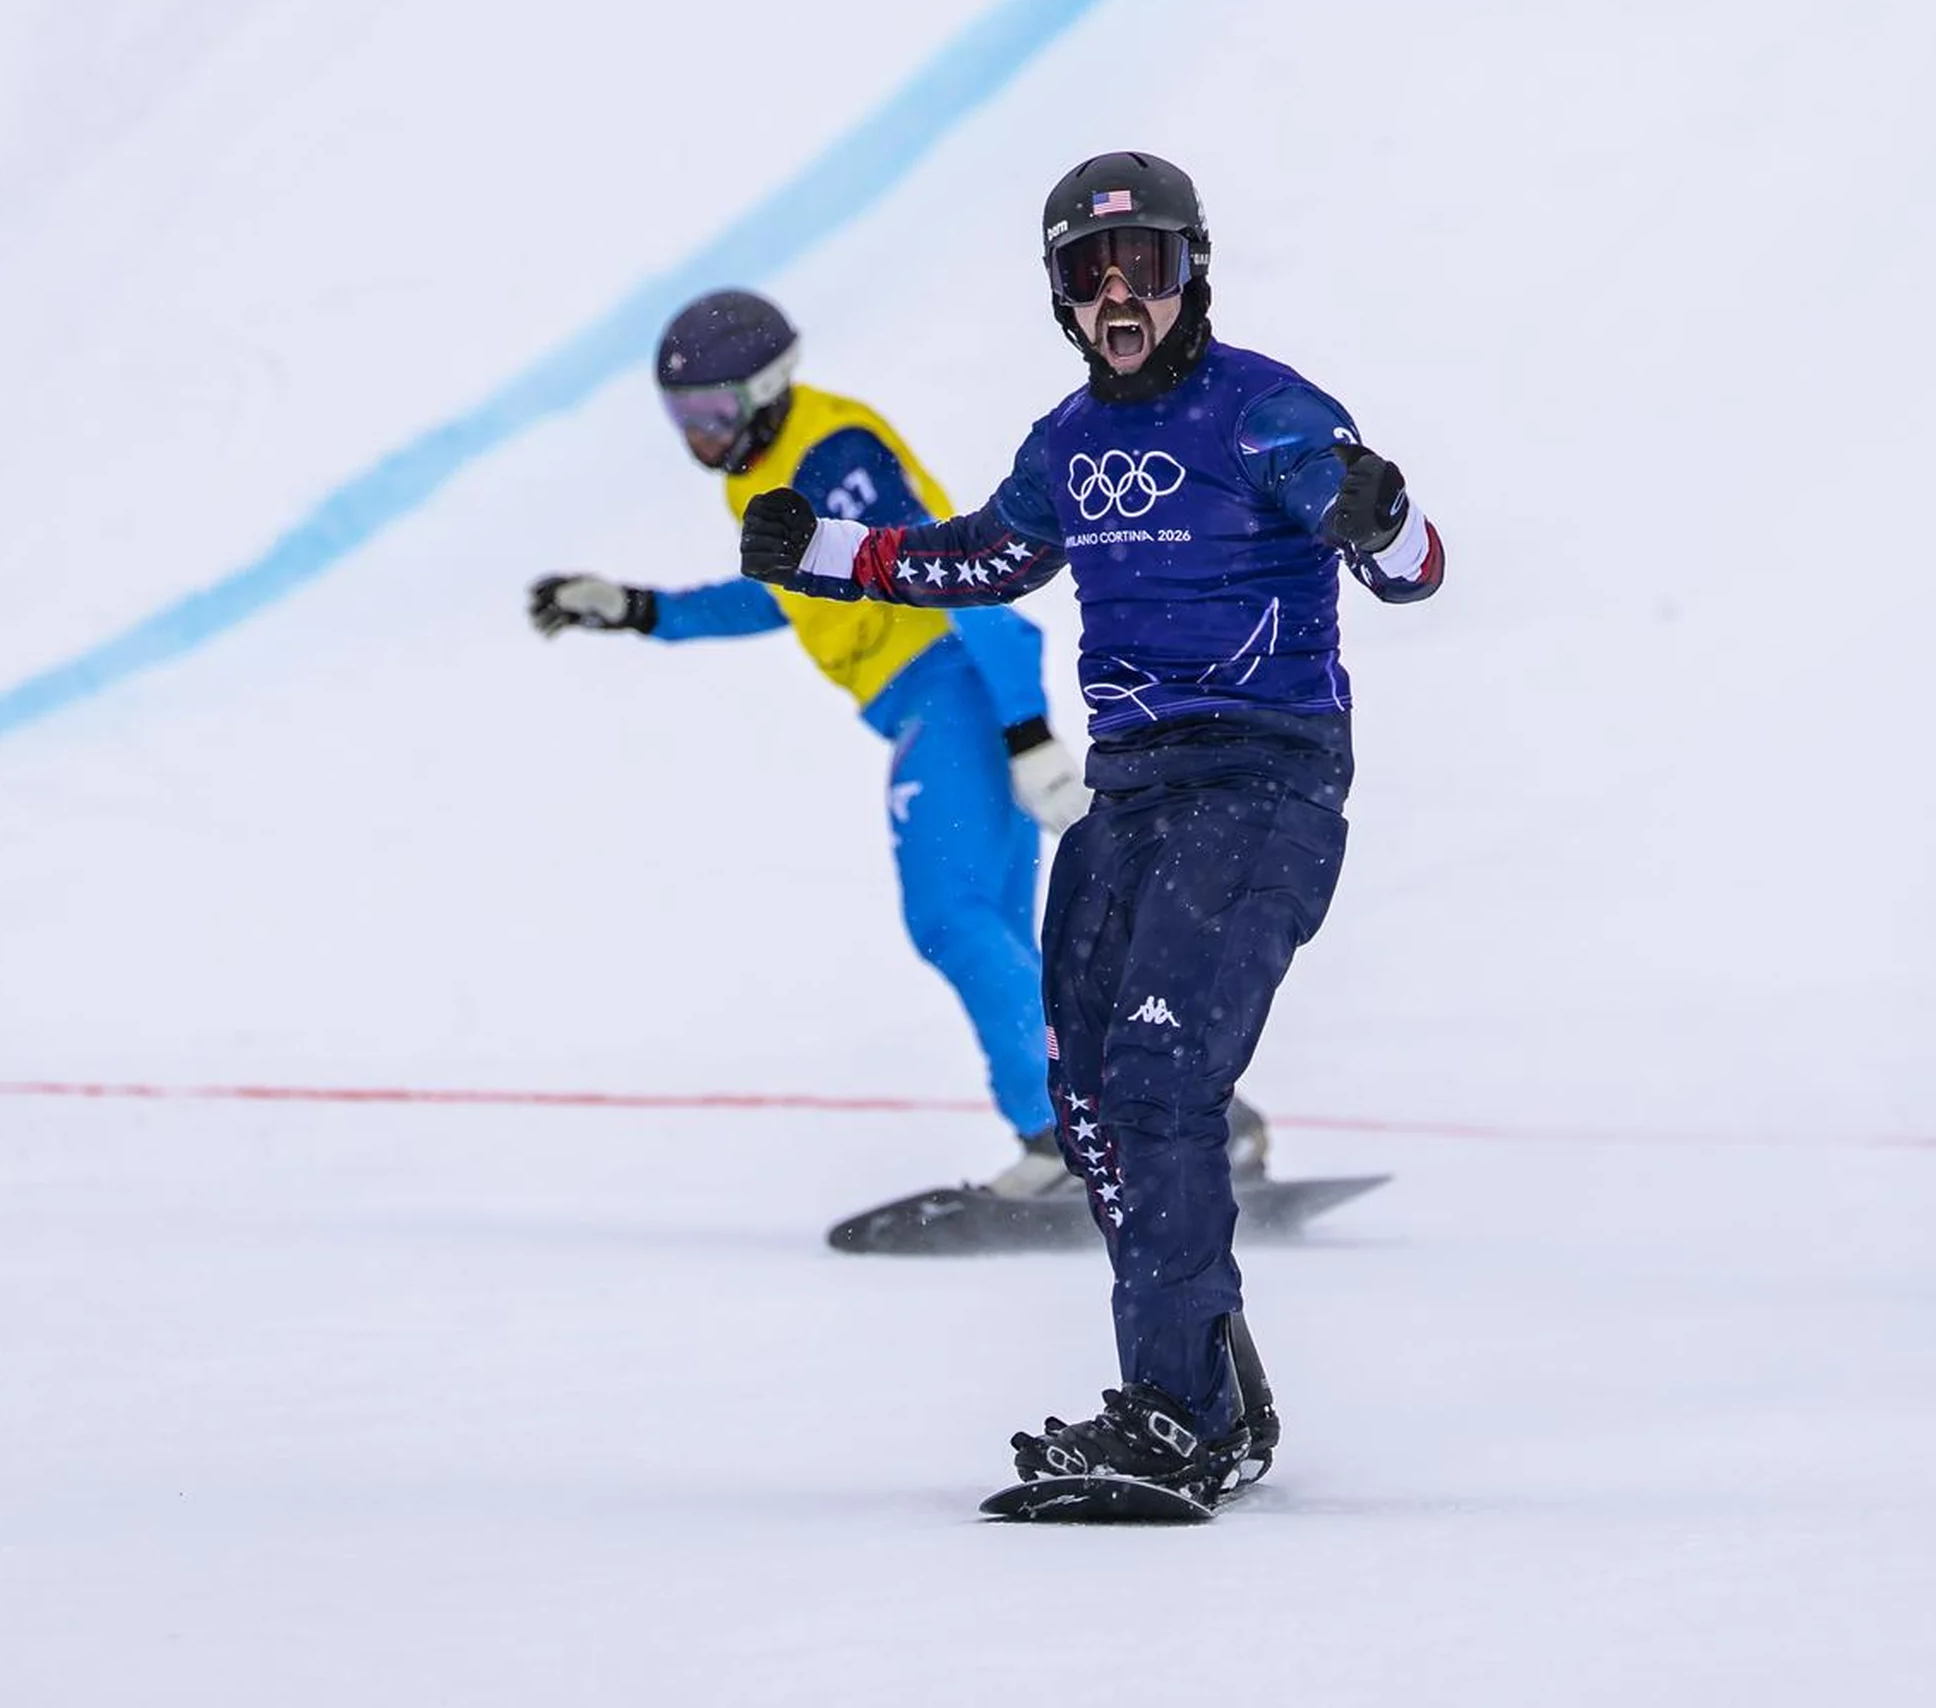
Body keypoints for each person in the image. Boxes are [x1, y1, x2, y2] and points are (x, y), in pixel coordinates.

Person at [737, 152, 1444, 1500]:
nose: (1122, 296)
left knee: (1165, 1081)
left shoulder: (1270, 418)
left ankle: (1174, 1409)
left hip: (1262, 786)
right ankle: (1210, 1391)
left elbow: (1408, 572)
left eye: (1150, 267)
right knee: (1088, 1101)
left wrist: (1388, 518)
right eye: (1090, 273)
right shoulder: (1067, 444)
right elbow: (987, 557)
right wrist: (821, 555)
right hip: (1130, 796)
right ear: (1061, 298)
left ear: (1195, 274)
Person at [529, 289, 1216, 1196]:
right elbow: (781, 593)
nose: (697, 437)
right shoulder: (770, 465)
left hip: (954, 689)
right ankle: (1175, 1118)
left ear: (768, 387)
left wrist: (1026, 731)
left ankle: (1067, 1137)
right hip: (944, 698)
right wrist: (639, 610)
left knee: (950, 918)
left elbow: (948, 568)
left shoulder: (831, 451)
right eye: (681, 419)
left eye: (712, 413)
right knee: (1007, 938)